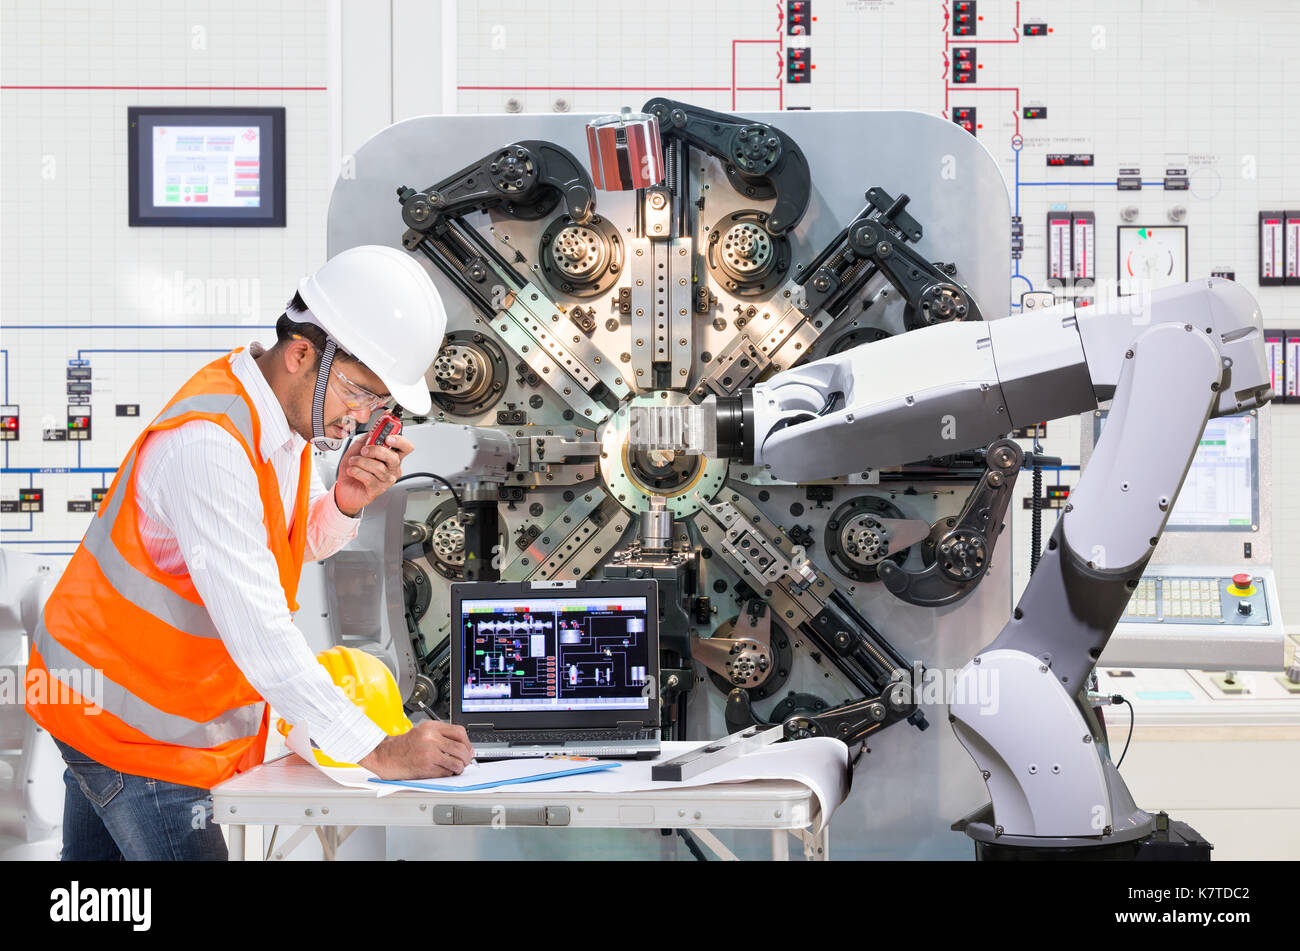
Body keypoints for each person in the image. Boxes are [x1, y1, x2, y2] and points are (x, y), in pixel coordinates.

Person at [26, 245, 474, 860]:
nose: (364, 418)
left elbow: (284, 544)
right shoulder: (211, 446)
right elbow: (259, 628)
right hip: (136, 727)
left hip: (113, 706)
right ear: (302, 355)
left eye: (381, 405)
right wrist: (377, 748)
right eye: (360, 393)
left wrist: (344, 501)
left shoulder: (277, 422)